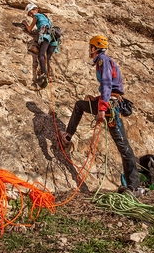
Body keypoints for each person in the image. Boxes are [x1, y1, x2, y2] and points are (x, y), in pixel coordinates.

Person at [59, 35, 141, 196]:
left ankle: (134, 187)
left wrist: (102, 107)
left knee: (123, 145)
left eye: (90, 47)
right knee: (80, 105)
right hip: (109, 102)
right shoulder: (102, 62)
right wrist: (96, 100)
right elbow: (110, 88)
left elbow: (107, 84)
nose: (89, 50)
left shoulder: (103, 60)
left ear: (94, 48)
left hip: (111, 107)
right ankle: (68, 135)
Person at [22, 3, 59, 88]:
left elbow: (30, 29)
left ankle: (44, 74)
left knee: (41, 55)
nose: (31, 15)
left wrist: (25, 23)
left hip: (46, 34)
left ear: (36, 10)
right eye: (29, 14)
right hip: (54, 37)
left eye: (31, 12)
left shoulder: (37, 16)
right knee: (47, 58)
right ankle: (47, 76)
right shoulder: (45, 17)